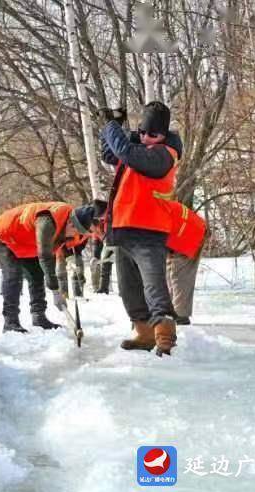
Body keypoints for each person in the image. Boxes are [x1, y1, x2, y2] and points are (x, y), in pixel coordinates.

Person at [98, 101, 183, 356]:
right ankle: (144, 332)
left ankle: (165, 335)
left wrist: (112, 125)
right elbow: (110, 154)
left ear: (164, 135)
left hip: (148, 231)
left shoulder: (164, 154)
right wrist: (118, 126)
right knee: (129, 288)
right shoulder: (138, 147)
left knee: (153, 285)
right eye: (143, 133)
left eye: (153, 135)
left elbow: (124, 151)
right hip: (124, 228)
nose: (146, 139)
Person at [0, 201, 105, 333]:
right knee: (13, 276)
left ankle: (39, 316)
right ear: (70, 223)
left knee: (37, 275)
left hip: (29, 242)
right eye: (74, 231)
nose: (74, 235)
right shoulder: (47, 221)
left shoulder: (71, 222)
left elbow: (61, 244)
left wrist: (70, 259)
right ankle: (11, 322)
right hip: (7, 235)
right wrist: (56, 290)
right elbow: (45, 256)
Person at [165, 201, 207, 325]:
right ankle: (173, 313)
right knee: (171, 274)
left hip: (189, 234)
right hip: (187, 229)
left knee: (179, 276)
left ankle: (180, 316)